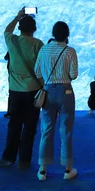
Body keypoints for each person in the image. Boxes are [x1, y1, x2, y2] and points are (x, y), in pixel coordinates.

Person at [0, 10, 44, 169]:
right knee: (30, 126)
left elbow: (6, 30)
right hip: (34, 91)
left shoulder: (12, 40)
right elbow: (42, 69)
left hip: (15, 91)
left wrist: (17, 16)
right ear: (35, 29)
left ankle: (8, 158)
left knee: (14, 124)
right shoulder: (39, 44)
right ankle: (24, 160)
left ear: (19, 28)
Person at [35, 21, 79, 181]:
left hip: (47, 91)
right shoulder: (70, 51)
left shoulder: (44, 49)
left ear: (53, 33)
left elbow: (37, 71)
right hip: (65, 91)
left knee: (46, 130)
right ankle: (67, 169)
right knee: (65, 130)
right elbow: (74, 74)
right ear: (67, 34)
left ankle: (42, 170)